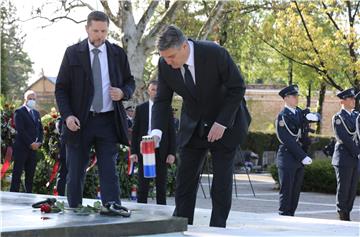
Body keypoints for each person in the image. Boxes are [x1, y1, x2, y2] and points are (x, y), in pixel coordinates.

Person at [150, 25, 251, 227]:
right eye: (164, 58)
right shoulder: (165, 65)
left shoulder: (215, 53)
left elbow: (237, 87)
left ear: (184, 47)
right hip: (194, 125)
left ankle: (217, 228)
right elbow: (162, 101)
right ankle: (181, 225)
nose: (168, 62)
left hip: (226, 122)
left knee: (220, 183)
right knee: (184, 180)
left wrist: (222, 122)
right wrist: (156, 131)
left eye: (171, 57)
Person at [55, 11, 135, 214]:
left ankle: (112, 207)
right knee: (75, 171)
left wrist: (123, 92)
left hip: (108, 121)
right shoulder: (72, 53)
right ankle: (73, 209)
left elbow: (130, 82)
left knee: (109, 170)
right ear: (87, 29)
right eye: (96, 30)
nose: (100, 35)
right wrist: (68, 116)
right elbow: (61, 88)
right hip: (80, 121)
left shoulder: (117, 53)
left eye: (104, 31)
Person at [130, 80, 176, 205]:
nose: (155, 92)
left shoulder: (166, 109)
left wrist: (172, 153)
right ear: (148, 91)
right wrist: (133, 152)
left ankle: (162, 214)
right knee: (143, 185)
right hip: (144, 151)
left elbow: (172, 131)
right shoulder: (141, 109)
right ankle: (141, 212)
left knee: (161, 186)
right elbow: (135, 132)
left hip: (161, 150)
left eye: (157, 90)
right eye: (153, 89)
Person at [275, 85, 312, 216]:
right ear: (285, 98)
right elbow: (287, 139)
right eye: (293, 96)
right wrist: (303, 156)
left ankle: (291, 216)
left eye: (297, 96)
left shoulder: (299, 114)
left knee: (295, 192)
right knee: (287, 191)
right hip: (287, 157)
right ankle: (284, 217)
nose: (296, 98)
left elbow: (304, 135)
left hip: (298, 158)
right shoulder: (282, 116)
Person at [332, 88, 359, 221]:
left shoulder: (356, 116)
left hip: (355, 158)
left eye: (354, 98)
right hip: (343, 158)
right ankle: (342, 214)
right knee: (344, 188)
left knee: (352, 189)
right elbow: (344, 138)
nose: (354, 101)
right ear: (342, 101)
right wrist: (358, 152)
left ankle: (348, 212)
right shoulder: (338, 118)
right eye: (350, 98)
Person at [10, 90, 43, 193]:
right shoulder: (19, 112)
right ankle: (13, 195)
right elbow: (21, 130)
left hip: (33, 150)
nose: (32, 101)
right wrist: (30, 143)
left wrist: (39, 142)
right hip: (22, 148)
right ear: (25, 99)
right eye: (30, 98)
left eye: (34, 99)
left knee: (30, 175)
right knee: (17, 174)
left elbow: (40, 129)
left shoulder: (36, 113)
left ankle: (28, 195)